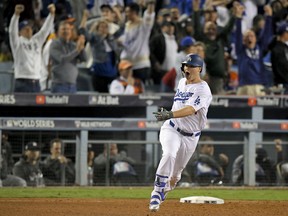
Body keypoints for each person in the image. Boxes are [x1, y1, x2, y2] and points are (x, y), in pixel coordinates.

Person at [149, 54, 212, 212]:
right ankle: (156, 192)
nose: (186, 68)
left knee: (175, 176)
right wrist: (170, 116)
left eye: (190, 66)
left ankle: (165, 188)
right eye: (185, 65)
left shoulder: (203, 89)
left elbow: (191, 109)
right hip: (172, 128)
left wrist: (170, 113)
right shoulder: (182, 82)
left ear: (199, 69)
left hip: (191, 137)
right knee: (169, 154)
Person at [8, 3, 55, 93]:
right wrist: (16, 15)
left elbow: (45, 30)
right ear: (20, 32)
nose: (29, 30)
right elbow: (12, 32)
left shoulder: (37, 40)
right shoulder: (17, 43)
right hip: (22, 81)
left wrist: (51, 15)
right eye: (25, 28)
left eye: (30, 28)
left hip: (36, 82)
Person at [235, 3, 273, 96]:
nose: (249, 38)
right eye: (247, 36)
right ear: (243, 40)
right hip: (244, 86)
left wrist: (269, 17)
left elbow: (266, 35)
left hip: (258, 85)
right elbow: (237, 35)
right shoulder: (240, 50)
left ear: (256, 38)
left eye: (251, 36)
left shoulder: (260, 49)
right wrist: (238, 18)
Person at [119, 1, 155, 84]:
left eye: (128, 12)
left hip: (141, 65)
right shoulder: (127, 25)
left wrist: (150, 4)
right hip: (127, 65)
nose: (126, 14)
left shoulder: (144, 25)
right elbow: (125, 40)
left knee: (139, 91)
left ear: (134, 12)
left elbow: (149, 15)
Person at [49, 20, 86, 93]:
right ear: (58, 32)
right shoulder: (54, 44)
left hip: (73, 85)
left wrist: (82, 46)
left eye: (68, 29)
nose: (66, 31)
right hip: (59, 85)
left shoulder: (73, 45)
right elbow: (62, 59)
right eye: (63, 29)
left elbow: (84, 59)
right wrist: (77, 50)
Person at [269, 21, 288, 94]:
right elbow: (282, 69)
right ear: (284, 33)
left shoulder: (284, 47)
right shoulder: (277, 49)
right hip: (283, 86)